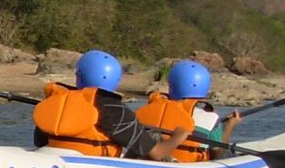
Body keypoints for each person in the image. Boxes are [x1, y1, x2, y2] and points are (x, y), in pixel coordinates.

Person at [33, 49, 190, 160]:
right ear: (115, 79)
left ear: (78, 76)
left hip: (53, 160)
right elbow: (157, 153)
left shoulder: (56, 102)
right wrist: (177, 137)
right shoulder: (116, 110)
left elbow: (39, 142)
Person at [135, 59, 242, 163]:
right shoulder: (211, 119)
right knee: (227, 153)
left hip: (148, 162)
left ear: (172, 85)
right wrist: (229, 126)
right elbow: (217, 153)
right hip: (187, 166)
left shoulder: (146, 111)